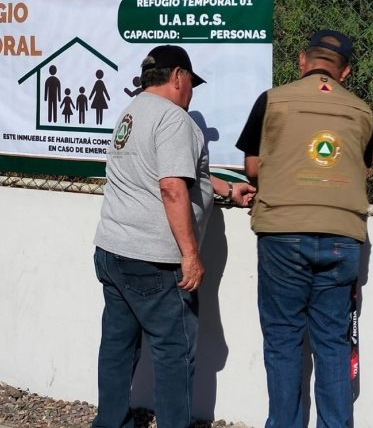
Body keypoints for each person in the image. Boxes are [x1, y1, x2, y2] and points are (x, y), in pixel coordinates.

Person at [93, 45, 255, 428]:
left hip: (114, 250)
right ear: (178, 76)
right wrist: (190, 254)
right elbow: (171, 187)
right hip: (156, 259)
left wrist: (226, 190)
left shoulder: (131, 114)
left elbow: (180, 174)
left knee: (118, 347)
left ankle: (110, 423)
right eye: (191, 83)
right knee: (174, 351)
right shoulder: (175, 120)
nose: (191, 92)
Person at [236, 29, 373, 428]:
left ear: (302, 61)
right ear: (344, 72)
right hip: (342, 235)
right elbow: (364, 166)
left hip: (283, 230)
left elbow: (252, 167)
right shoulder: (362, 111)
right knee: (332, 343)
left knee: (283, 341)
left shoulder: (272, 100)